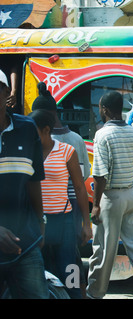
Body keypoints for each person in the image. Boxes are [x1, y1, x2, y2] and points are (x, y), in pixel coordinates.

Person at [87, 91, 133, 299]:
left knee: (103, 251)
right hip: (131, 194)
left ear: (106, 110)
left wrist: (95, 205)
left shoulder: (102, 134)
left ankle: (94, 294)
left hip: (111, 198)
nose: (100, 111)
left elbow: (100, 175)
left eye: (101, 108)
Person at [32, 82, 91, 297]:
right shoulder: (29, 152)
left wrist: (86, 223)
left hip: (64, 221)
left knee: (70, 272)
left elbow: (79, 186)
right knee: (41, 273)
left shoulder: (68, 149)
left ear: (46, 130)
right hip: (38, 222)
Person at [0, 70, 49, 298]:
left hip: (25, 243)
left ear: (6, 93)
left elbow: (33, 180)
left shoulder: (27, 128)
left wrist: (40, 222)